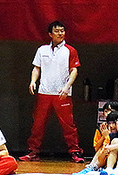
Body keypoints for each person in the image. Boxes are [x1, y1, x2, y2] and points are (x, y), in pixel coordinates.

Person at [20, 21, 84, 163]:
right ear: (50, 34)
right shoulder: (42, 50)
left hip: (62, 94)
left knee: (68, 124)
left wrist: (67, 86)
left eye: (62, 30)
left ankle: (75, 152)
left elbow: (74, 70)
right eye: (57, 31)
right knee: (38, 123)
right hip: (44, 92)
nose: (60, 33)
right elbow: (36, 68)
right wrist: (32, 81)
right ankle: (33, 151)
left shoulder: (70, 50)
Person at [74, 110, 118, 175]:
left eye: (114, 123)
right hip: (102, 159)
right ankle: (93, 167)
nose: (111, 126)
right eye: (109, 123)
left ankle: (95, 167)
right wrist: (104, 136)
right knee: (102, 149)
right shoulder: (103, 130)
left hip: (115, 160)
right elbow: (97, 148)